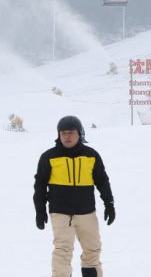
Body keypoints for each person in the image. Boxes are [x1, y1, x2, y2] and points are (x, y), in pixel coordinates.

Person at [33, 116, 115, 277]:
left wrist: (109, 204)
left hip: (87, 213)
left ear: (79, 134)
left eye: (71, 132)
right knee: (62, 251)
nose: (67, 136)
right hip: (61, 213)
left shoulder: (91, 156)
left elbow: (102, 181)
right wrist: (40, 211)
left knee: (92, 249)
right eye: (63, 133)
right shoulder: (49, 157)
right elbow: (40, 185)